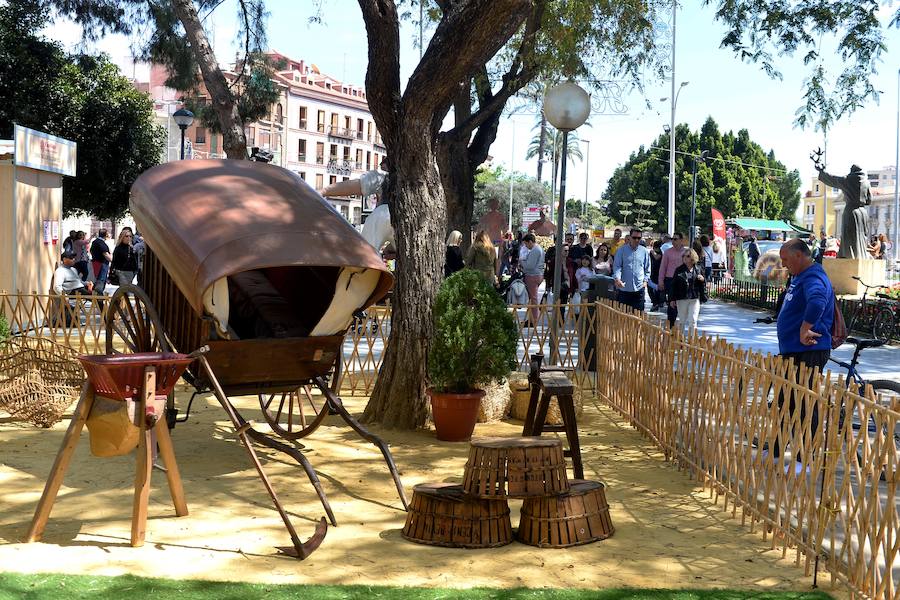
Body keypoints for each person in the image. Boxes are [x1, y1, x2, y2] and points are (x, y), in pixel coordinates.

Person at [772, 238, 835, 465]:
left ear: (799, 256)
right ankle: (778, 451)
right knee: (788, 400)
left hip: (808, 350)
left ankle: (805, 458)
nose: (784, 265)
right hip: (794, 351)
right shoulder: (800, 276)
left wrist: (804, 328)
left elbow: (817, 301)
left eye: (786, 260)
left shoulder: (814, 277)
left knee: (804, 404)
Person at [612, 228, 651, 312]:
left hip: (639, 289)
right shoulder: (621, 250)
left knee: (638, 317)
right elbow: (617, 266)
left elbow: (647, 268)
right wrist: (617, 279)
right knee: (624, 317)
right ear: (629, 237)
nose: (636, 240)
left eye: (639, 238)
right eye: (634, 238)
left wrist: (645, 281)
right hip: (624, 289)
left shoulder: (644, 251)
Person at [670, 248, 706, 332]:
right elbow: (673, 285)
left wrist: (703, 279)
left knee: (693, 320)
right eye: (684, 256)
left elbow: (705, 282)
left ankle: (691, 340)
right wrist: (672, 299)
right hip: (682, 298)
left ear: (693, 258)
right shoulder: (679, 270)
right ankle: (681, 339)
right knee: (682, 320)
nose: (685, 258)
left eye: (688, 256)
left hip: (694, 298)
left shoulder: (698, 269)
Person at [658, 232, 686, 326]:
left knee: (682, 304)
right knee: (671, 304)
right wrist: (660, 281)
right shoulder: (667, 252)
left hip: (682, 281)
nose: (673, 241)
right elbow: (663, 268)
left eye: (675, 239)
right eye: (672, 239)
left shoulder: (686, 252)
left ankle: (681, 327)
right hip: (670, 280)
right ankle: (670, 326)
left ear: (681, 240)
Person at [520, 233, 544, 326]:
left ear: (530, 242)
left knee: (533, 298)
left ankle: (534, 320)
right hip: (536, 274)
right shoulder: (538, 249)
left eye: (526, 244)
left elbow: (530, 265)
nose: (526, 246)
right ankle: (531, 318)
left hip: (532, 275)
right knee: (532, 298)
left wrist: (522, 262)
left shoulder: (535, 250)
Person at [90, 229, 112, 294]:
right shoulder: (100, 243)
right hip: (102, 264)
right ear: (106, 235)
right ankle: (99, 298)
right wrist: (113, 261)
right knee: (101, 281)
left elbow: (91, 251)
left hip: (96, 263)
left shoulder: (95, 242)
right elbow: (106, 254)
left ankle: (97, 296)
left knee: (98, 280)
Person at [648, 239, 664, 311]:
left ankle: (656, 302)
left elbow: (657, 257)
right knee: (655, 288)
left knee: (652, 288)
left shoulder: (657, 252)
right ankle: (657, 302)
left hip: (656, 272)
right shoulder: (660, 252)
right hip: (656, 272)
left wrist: (652, 251)